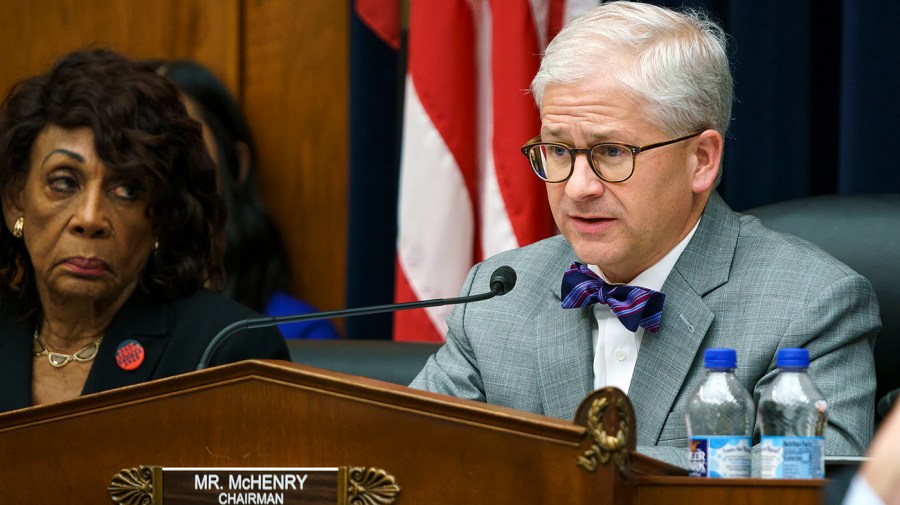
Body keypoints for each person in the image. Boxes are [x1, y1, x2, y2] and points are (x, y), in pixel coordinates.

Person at [410, 1, 879, 468]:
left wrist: (555, 466)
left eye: (612, 152)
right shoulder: (498, 295)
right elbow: (407, 454)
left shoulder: (811, 304)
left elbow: (809, 487)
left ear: (701, 160)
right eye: (557, 150)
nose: (577, 188)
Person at [0, 49, 290, 414]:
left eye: (127, 190)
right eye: (63, 182)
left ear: (160, 216)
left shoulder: (227, 352)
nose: (90, 218)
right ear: (15, 203)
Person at [151, 60, 338, 340]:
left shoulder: (297, 331)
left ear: (237, 164)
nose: (157, 166)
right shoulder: (98, 327)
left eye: (177, 141)